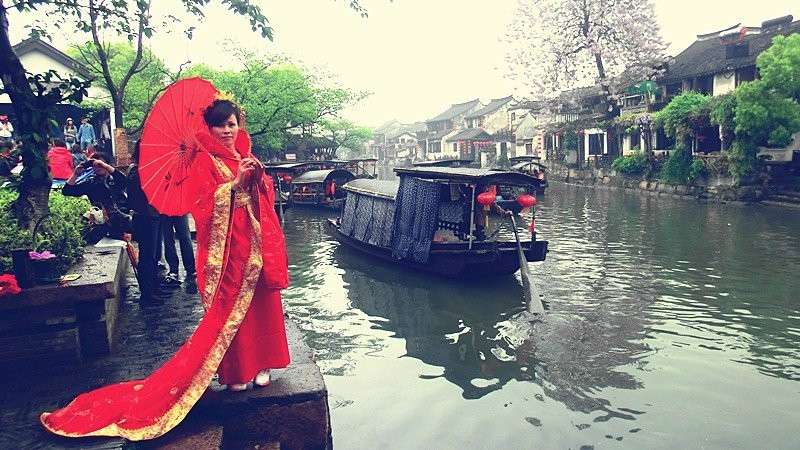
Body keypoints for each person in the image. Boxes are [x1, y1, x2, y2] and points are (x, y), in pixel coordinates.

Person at [41, 96, 290, 440]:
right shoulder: (203, 161)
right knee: (229, 310)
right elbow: (203, 203)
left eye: (232, 124)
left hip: (256, 245)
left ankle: (263, 363)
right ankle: (238, 370)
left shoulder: (246, 156)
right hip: (228, 250)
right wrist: (234, 187)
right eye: (220, 125)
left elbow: (265, 196)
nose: (227, 131)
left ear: (239, 125)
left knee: (261, 304)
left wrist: (258, 180)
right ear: (209, 129)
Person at [62, 151, 130, 244]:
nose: (98, 167)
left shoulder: (115, 179)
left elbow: (124, 181)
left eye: (101, 165)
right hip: (101, 223)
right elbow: (67, 191)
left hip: (122, 221)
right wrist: (75, 174)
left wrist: (105, 166)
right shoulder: (91, 183)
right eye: (95, 165)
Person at [127, 141, 165, 305]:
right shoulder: (136, 171)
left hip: (155, 214)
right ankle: (147, 294)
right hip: (145, 217)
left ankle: (154, 287)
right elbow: (136, 197)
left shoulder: (151, 169)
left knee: (154, 254)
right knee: (147, 256)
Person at [158, 213, 196, 289]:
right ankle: (188, 269)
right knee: (182, 238)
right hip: (177, 211)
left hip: (169, 211)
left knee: (170, 239)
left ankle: (175, 269)